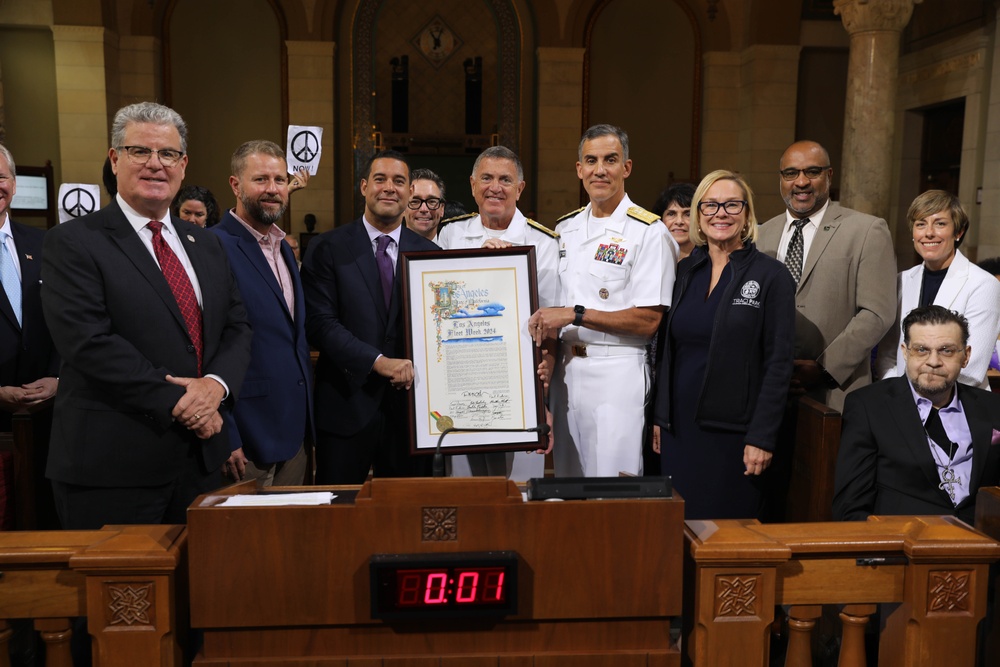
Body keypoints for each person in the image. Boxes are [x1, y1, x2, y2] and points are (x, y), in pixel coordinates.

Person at [40, 102, 252, 528]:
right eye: (140, 151)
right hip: (113, 468)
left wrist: (215, 386)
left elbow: (237, 326)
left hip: (201, 461)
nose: (156, 164)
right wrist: (184, 402)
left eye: (168, 154)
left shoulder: (206, 243)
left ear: (183, 164)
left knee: (204, 591)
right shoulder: (74, 242)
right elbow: (89, 343)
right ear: (115, 159)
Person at [528, 124, 675, 477]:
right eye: (591, 161)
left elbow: (648, 321)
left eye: (610, 160)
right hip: (567, 371)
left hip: (617, 371)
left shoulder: (649, 232)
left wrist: (576, 315)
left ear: (626, 168)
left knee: (613, 487)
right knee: (566, 482)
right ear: (579, 170)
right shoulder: (565, 230)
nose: (600, 170)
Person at [651, 170, 795, 519]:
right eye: (711, 205)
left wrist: (761, 436)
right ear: (699, 214)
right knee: (678, 528)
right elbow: (668, 350)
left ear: (747, 214)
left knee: (724, 534)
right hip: (679, 429)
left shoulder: (771, 276)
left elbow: (779, 363)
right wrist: (660, 415)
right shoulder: (685, 271)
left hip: (734, 433)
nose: (721, 213)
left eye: (732, 204)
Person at [302, 150, 439, 484]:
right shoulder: (327, 247)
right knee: (338, 520)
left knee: (405, 521)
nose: (389, 188)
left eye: (399, 181)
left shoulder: (431, 256)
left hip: (411, 415)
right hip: (345, 408)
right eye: (380, 179)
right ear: (364, 187)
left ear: (409, 193)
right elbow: (320, 324)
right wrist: (378, 361)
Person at [437, 146, 559, 477]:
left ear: (520, 188)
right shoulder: (450, 235)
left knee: (519, 495)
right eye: (487, 178)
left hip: (520, 390)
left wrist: (542, 392)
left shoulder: (544, 243)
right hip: (460, 386)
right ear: (473, 184)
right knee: (464, 494)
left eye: (505, 179)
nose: (496, 187)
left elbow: (550, 324)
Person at [758, 140, 896, 412]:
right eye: (791, 173)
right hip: (768, 391)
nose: (801, 182)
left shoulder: (866, 230)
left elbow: (877, 313)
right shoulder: (761, 234)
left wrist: (825, 367)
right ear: (781, 179)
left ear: (829, 176)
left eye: (812, 172)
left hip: (836, 392)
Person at [833, 306, 1000, 525]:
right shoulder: (869, 406)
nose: (933, 361)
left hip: (983, 544)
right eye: (921, 349)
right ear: (905, 352)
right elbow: (850, 506)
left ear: (966, 356)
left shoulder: (992, 407)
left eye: (946, 350)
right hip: (904, 544)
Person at [209, 140, 312, 486]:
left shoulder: (282, 247)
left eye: (280, 180)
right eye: (261, 179)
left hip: (294, 436)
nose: (272, 189)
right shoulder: (213, 247)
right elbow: (205, 348)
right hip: (245, 441)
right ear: (236, 185)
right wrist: (225, 432)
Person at [875, 190, 1000, 390]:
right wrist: (899, 396)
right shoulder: (902, 280)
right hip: (901, 402)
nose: (929, 233)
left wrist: (917, 395)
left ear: (958, 232)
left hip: (958, 404)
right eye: (920, 224)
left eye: (940, 223)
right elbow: (888, 355)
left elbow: (972, 369)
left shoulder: (983, 283)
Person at [0, 145, 59, 431]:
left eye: (1, 177)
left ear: (13, 183)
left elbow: (66, 317)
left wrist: (59, 378)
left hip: (48, 413)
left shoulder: (44, 243)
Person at [651, 182, 695, 260]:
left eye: (688, 215)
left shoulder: (710, 261)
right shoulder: (649, 257)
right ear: (661, 219)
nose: (679, 221)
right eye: (671, 214)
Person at [405, 168, 446, 242]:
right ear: (402, 209)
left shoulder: (455, 249)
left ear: (442, 209)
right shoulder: (390, 251)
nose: (424, 209)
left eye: (431, 201)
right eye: (415, 201)